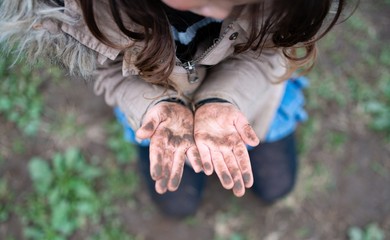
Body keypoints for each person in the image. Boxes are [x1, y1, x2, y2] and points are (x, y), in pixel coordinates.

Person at [0, 0, 349, 218]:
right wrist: (156, 105)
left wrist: (223, 100)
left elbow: (273, 52)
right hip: (155, 108)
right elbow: (105, 69)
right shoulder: (87, 9)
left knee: (276, 185)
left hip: (252, 97)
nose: (226, 13)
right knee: (176, 205)